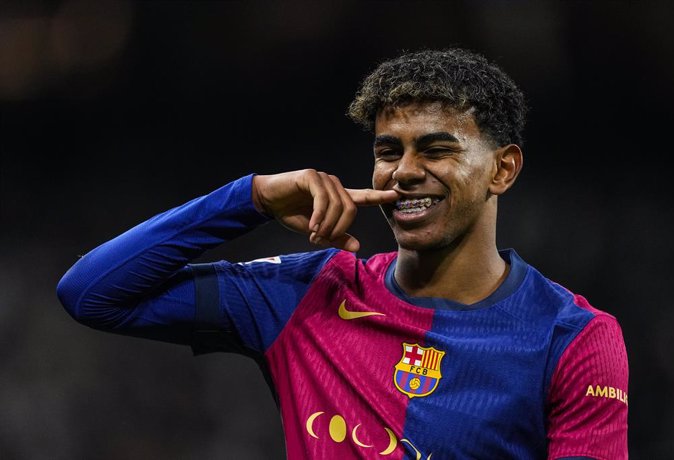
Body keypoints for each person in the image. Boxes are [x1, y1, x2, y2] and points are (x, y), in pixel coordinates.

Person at [56, 48, 628, 459]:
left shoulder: (573, 337)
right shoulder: (308, 293)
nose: (404, 172)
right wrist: (249, 197)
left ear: (502, 168)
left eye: (435, 149)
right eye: (388, 151)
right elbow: (92, 294)